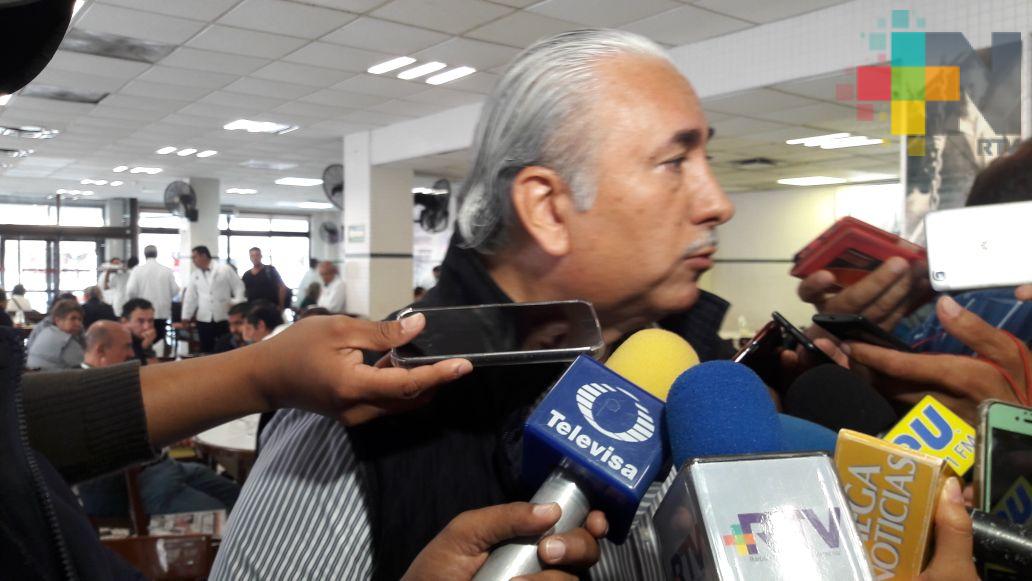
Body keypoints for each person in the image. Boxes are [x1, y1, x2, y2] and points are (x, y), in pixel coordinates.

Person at [214, 29, 736, 580]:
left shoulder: (703, 388)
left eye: (705, 158)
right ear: (547, 208)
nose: (718, 204)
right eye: (675, 162)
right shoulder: (364, 407)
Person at [181, 245, 245, 353]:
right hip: (204, 318)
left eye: (195, 257)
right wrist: (185, 317)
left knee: (225, 347)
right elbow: (190, 297)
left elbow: (239, 286)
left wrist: (237, 303)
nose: (193, 260)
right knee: (206, 349)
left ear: (203, 255)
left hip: (223, 316)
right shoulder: (195, 275)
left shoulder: (224, 269)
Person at [124, 245, 179, 351]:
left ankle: (144, 357)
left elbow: (130, 291)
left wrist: (136, 304)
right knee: (159, 341)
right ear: (156, 254)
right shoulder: (166, 270)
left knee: (143, 341)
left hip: (142, 314)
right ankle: (158, 358)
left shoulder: (137, 270)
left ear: (144, 255)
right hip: (162, 312)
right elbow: (175, 290)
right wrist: (165, 297)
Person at [25, 299, 85, 370]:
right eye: (73, 319)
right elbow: (85, 365)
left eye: (80, 319)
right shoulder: (67, 341)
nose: (78, 323)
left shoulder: (45, 332)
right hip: (53, 376)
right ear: (58, 320)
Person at [121, 298, 158, 366]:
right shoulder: (117, 342)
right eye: (141, 321)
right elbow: (133, 370)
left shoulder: (142, 339)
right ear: (125, 322)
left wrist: (147, 348)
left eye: (150, 321)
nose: (146, 327)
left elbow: (156, 370)